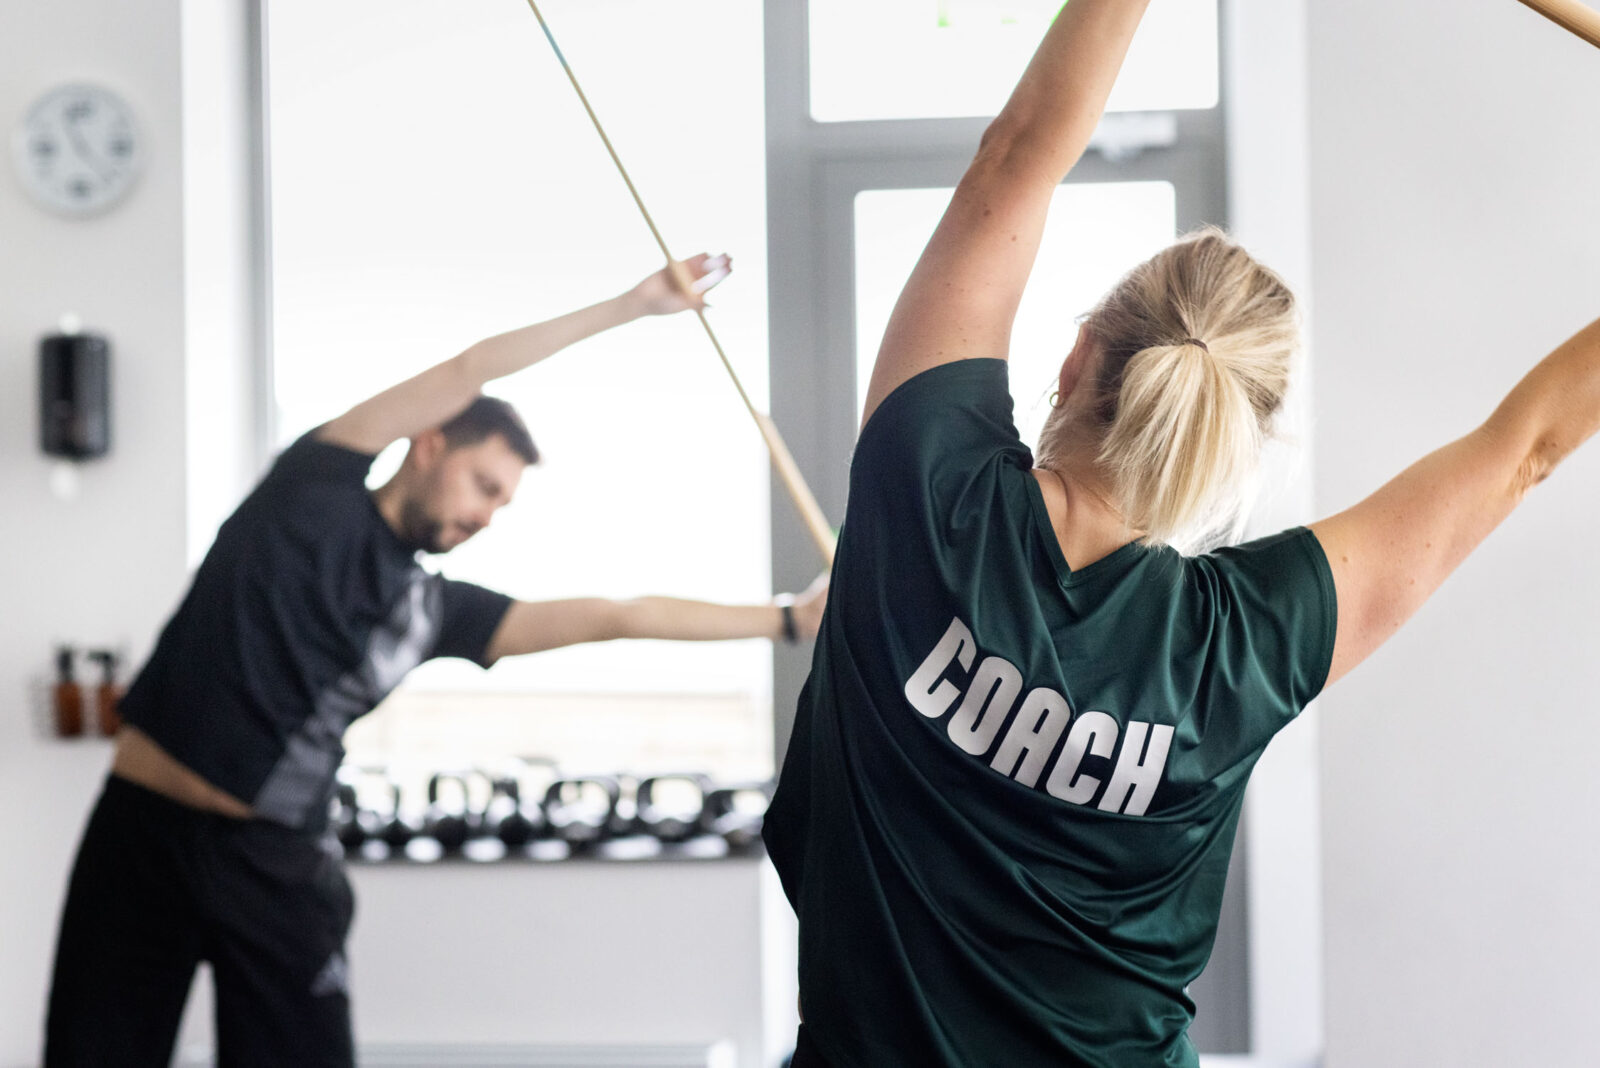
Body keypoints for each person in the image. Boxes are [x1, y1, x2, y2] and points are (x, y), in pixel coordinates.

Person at [761, 1, 1600, 1064]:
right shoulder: (1249, 639)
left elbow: (1016, 155)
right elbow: (1526, 448)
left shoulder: (926, 485)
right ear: (1236, 445)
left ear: (1078, 358)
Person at [45, 253, 827, 1067]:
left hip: (278, 865)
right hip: (142, 834)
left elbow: (616, 615)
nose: (488, 515)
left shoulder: (438, 611)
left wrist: (786, 620)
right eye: (483, 484)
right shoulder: (312, 485)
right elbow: (470, 367)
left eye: (503, 504)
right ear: (428, 445)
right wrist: (631, 305)